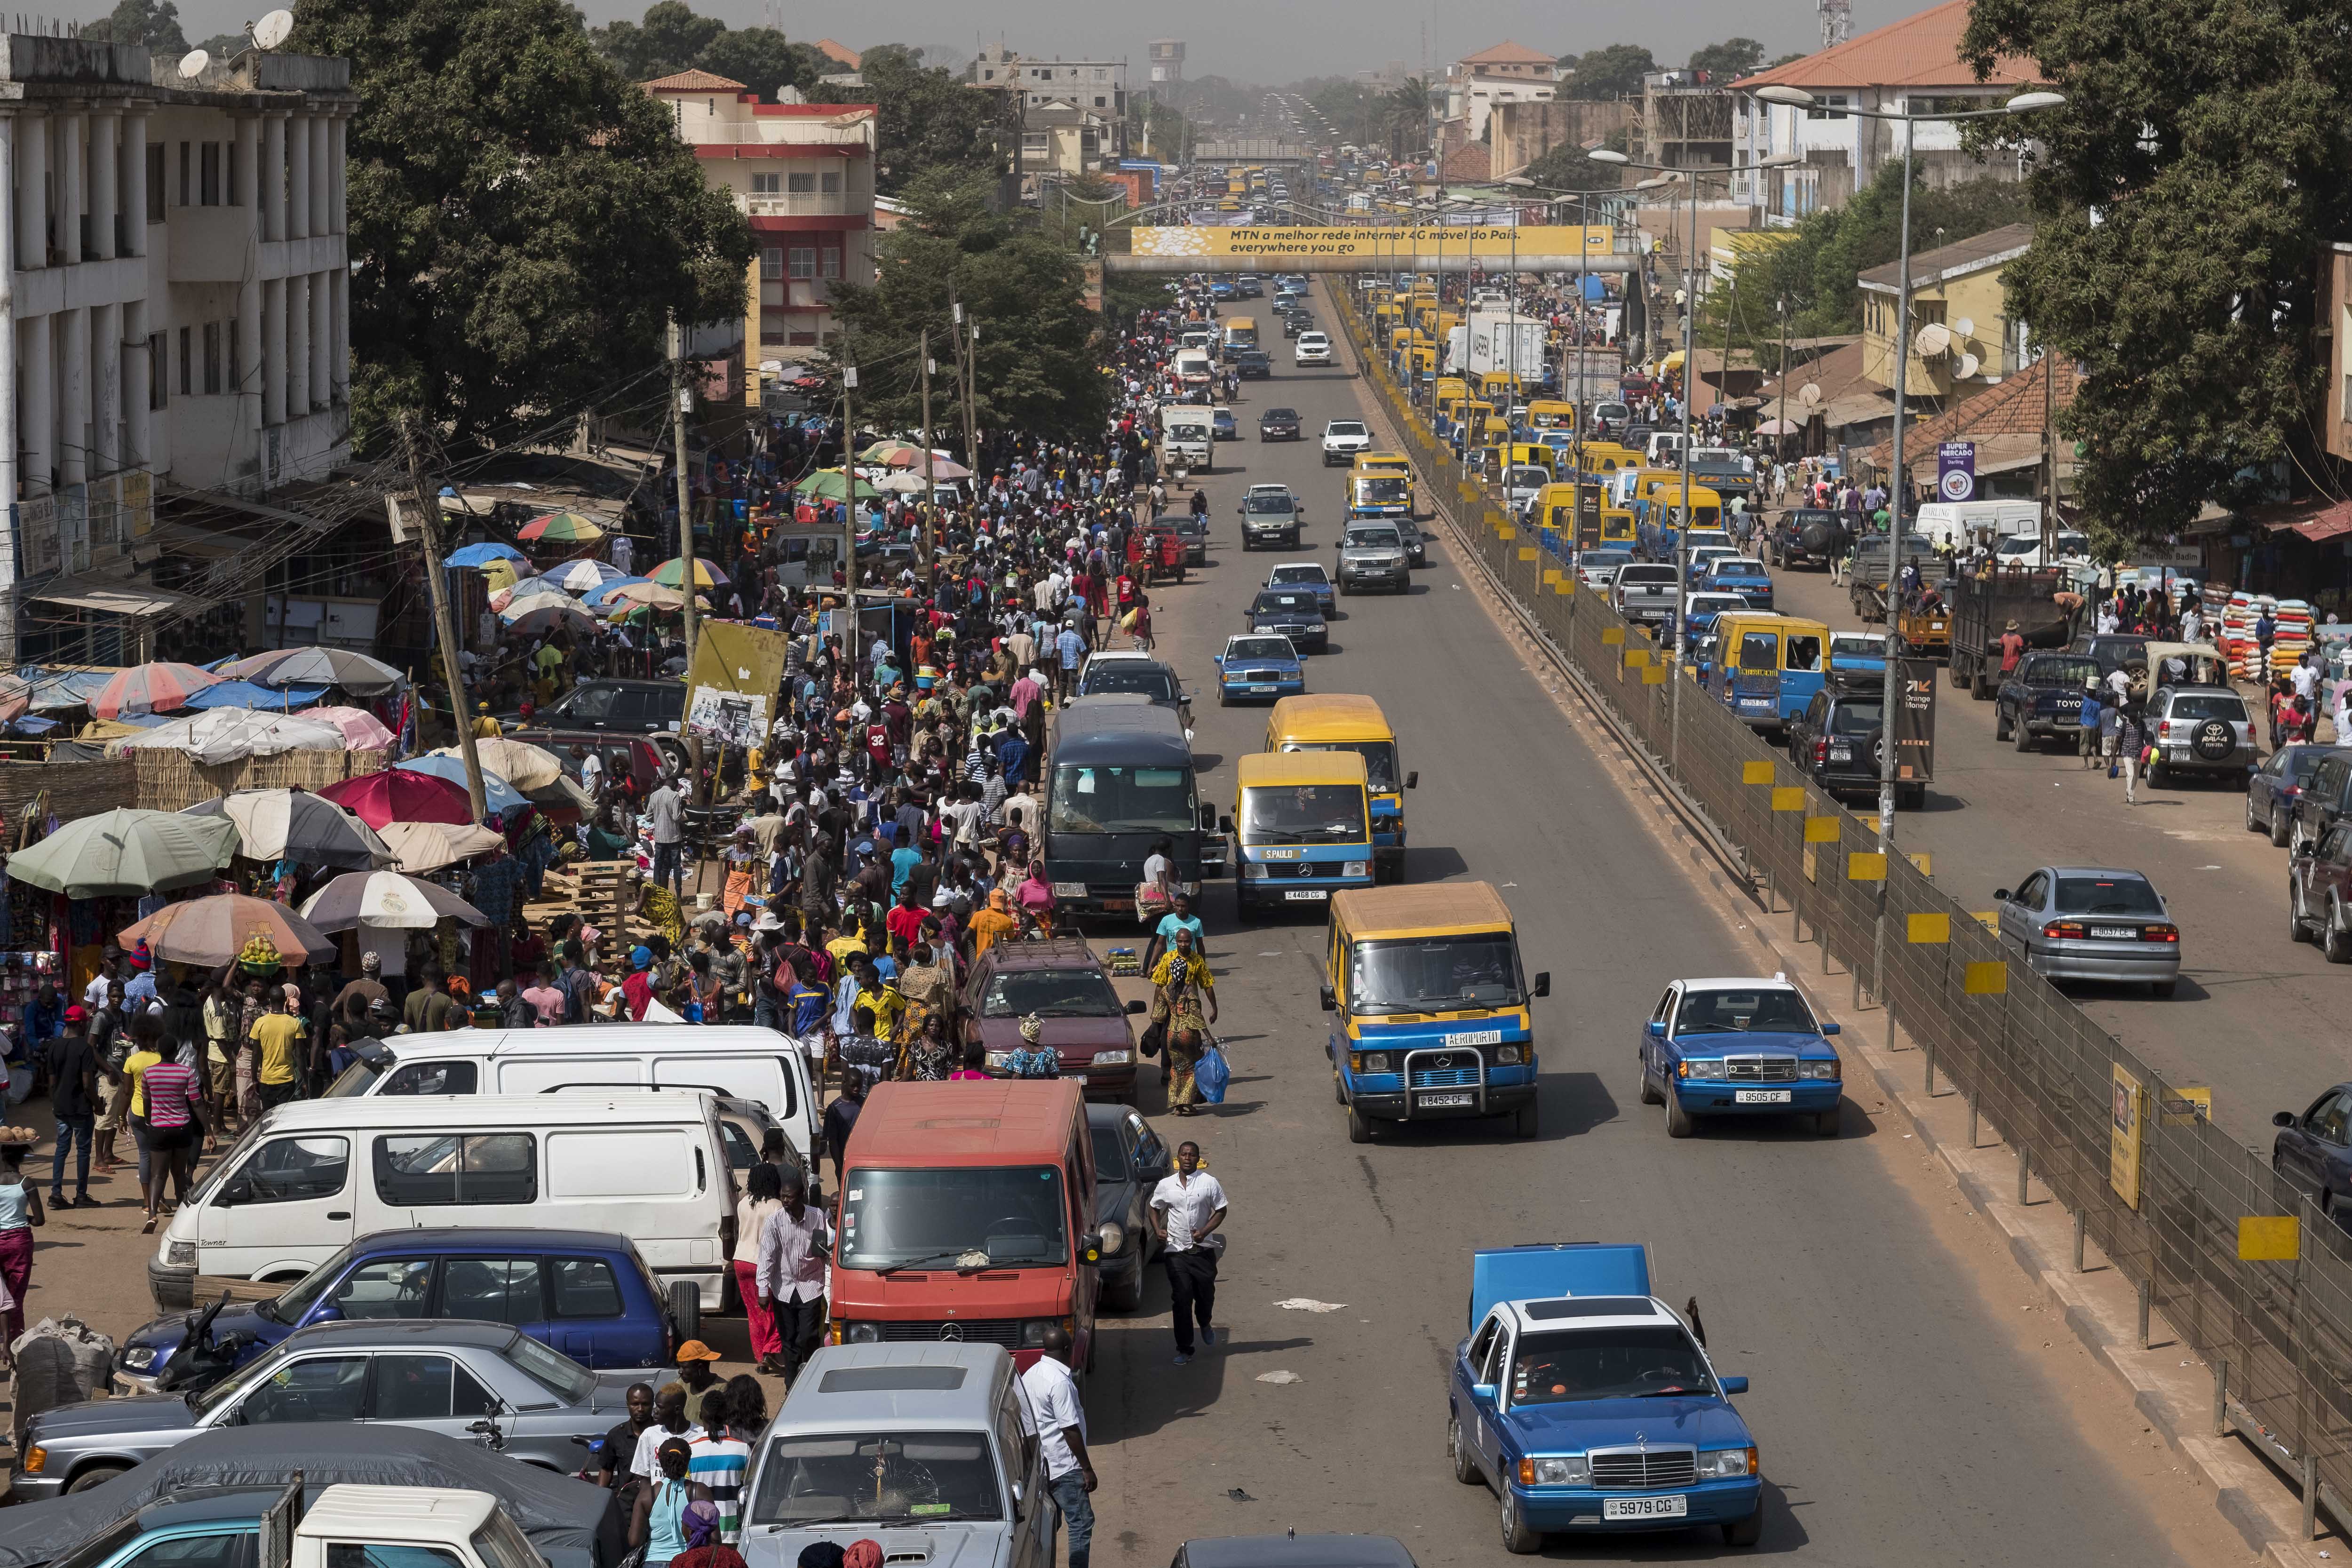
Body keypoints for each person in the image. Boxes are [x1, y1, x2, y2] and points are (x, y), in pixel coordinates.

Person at [1018, 1324, 1097, 1568]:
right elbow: (1070, 1430)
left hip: (1042, 1465)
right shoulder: (1060, 1383)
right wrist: (1086, 1468)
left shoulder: (1030, 1374)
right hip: (1065, 1466)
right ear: (1067, 1349)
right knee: (1081, 1524)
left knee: (1049, 1524)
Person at [1148, 1140, 1226, 1366]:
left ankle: (1204, 1322)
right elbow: (1154, 1207)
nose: (1187, 1158)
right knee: (1181, 1298)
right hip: (1176, 1251)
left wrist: (1204, 1231)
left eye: (1192, 1155)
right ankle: (1185, 1348)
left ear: (1198, 1159)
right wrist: (1157, 1230)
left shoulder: (1209, 1183)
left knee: (1205, 1296)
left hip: (1202, 1252)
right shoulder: (1166, 1185)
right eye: (1183, 1154)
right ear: (1178, 1159)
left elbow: (1222, 1210)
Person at [755, 1169, 833, 1383]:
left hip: (811, 1286)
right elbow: (767, 1257)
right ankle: (791, 1385)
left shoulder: (817, 1217)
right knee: (788, 1340)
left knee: (808, 1337)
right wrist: (763, 1290)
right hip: (784, 1289)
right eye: (783, 1197)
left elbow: (822, 1249)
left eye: (789, 1197)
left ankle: (810, 1378)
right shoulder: (774, 1222)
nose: (785, 1201)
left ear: (801, 1197)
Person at [1149, 927, 1218, 1114]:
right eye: (1180, 942)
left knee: (1176, 1069)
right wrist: (1210, 1038)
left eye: (1187, 941)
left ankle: (1177, 1106)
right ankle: (1188, 1104)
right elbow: (1196, 1019)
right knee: (1193, 1068)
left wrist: (1155, 1023)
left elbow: (1158, 1012)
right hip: (1189, 1035)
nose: (1183, 945)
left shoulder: (1167, 992)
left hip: (1172, 1035)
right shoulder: (1189, 997)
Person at [629, 1436, 710, 1568]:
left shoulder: (646, 1495)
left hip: (653, 1560)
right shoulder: (699, 1492)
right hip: (689, 1561)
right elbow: (715, 1538)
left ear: (660, 1463)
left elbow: (634, 1541)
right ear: (688, 1460)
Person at [45, 1010, 99, 1207]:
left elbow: (51, 1083)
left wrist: (55, 1103)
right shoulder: (85, 1048)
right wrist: (98, 1104)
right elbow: (87, 1084)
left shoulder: (54, 1047)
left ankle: (56, 1195)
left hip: (61, 1108)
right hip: (81, 1108)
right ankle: (81, 1195)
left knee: (62, 1149)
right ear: (83, 1025)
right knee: (83, 1151)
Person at [0, 1135, 43, 1345]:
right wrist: (23, 1217)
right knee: (15, 1296)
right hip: (19, 1243)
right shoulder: (27, 1184)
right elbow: (39, 1220)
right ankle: (15, 1342)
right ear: (21, 1159)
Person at [598, 1381, 658, 1494]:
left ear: (652, 1405)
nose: (640, 1409)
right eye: (635, 1404)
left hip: (656, 1499)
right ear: (628, 1405)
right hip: (626, 1501)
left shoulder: (663, 1434)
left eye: (645, 1404)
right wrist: (600, 1498)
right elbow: (606, 1469)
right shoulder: (616, 1435)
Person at [649, 772, 688, 898]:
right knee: (676, 866)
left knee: (658, 864)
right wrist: (682, 807)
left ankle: (656, 893)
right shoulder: (675, 797)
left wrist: (658, 817)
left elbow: (648, 816)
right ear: (675, 786)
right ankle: (679, 896)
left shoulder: (654, 795)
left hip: (660, 837)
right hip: (673, 837)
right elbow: (676, 817)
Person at [1002, 1014, 1060, 1079]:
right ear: (1038, 1034)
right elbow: (1054, 1076)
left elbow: (1017, 1076)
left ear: (1024, 1036)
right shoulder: (1050, 1052)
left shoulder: (1019, 1053)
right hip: (1044, 1087)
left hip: (1025, 1088)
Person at [2076, 677, 2104, 769]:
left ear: (2088, 692)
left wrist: (2084, 681)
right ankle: (2096, 759)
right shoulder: (2098, 704)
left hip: (2085, 726)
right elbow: (2099, 718)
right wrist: (2099, 732)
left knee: (2085, 745)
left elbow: (2078, 690)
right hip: (2094, 727)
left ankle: (2086, 765)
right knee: (2092, 744)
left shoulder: (2086, 700)